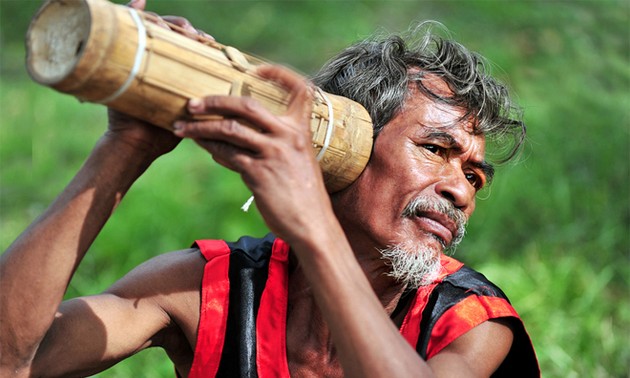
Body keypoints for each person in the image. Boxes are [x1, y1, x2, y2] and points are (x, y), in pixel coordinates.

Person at [0, 1, 539, 376]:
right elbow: (13, 360)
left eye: (473, 175)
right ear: (338, 149)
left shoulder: (468, 320)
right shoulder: (208, 290)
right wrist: (125, 147)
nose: (461, 192)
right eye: (435, 150)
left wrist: (313, 226)